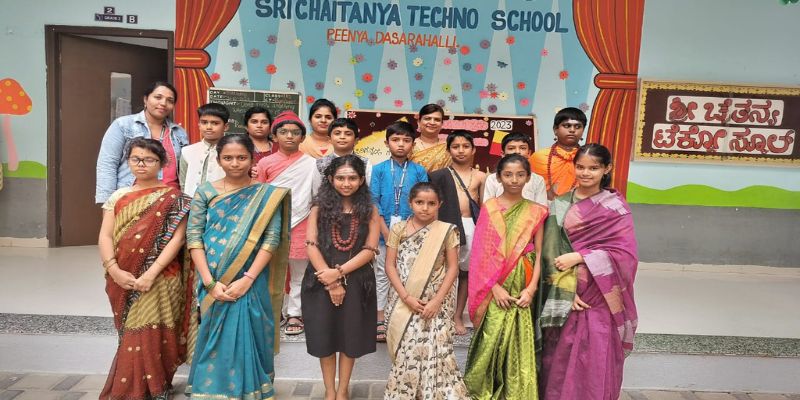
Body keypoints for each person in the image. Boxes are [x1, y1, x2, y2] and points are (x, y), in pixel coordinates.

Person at [185, 134, 291, 400]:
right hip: (212, 278)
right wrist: (209, 282)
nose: (235, 163)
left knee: (248, 332)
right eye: (228, 158)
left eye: (242, 157)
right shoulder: (205, 192)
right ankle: (210, 391)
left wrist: (247, 279)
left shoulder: (267, 195)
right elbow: (194, 237)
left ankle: (250, 389)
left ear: (252, 159)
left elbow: (271, 239)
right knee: (213, 334)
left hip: (250, 279)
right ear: (219, 160)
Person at [539, 144, 638, 400]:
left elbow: (625, 255)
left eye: (593, 168)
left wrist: (581, 256)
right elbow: (549, 253)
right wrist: (566, 292)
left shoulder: (615, 207)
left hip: (601, 294)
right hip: (567, 293)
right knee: (561, 356)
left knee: (596, 354)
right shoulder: (560, 204)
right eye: (580, 167)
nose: (585, 173)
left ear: (607, 169)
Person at [97, 138, 193, 399]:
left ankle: (157, 386)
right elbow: (105, 236)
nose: (141, 164)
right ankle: (136, 389)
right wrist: (114, 270)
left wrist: (150, 274)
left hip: (162, 277)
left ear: (162, 163)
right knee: (132, 333)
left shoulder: (176, 199)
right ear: (128, 161)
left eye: (149, 159)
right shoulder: (118, 196)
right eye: (136, 159)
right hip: (123, 275)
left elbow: (177, 240)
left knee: (157, 330)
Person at [464, 154, 548, 400]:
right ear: (498, 177)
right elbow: (481, 254)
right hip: (494, 284)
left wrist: (531, 288)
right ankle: (482, 388)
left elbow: (540, 252)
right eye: (508, 175)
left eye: (520, 175)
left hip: (523, 279)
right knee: (491, 334)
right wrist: (494, 287)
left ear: (528, 178)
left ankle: (516, 391)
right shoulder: (489, 208)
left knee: (518, 335)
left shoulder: (536, 211)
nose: (514, 180)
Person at [302, 155, 380, 400]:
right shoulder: (318, 208)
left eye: (352, 178)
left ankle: (343, 390)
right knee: (325, 336)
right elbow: (311, 245)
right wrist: (331, 280)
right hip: (320, 278)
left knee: (350, 337)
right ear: (330, 179)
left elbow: (370, 249)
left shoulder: (370, 210)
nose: (346, 183)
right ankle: (329, 391)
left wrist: (339, 273)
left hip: (357, 281)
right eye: (341, 178)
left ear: (361, 180)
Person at [383, 182, 469, 399]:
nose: (425, 208)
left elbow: (453, 268)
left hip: (435, 303)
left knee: (437, 350)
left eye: (431, 203)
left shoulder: (447, 231)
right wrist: (406, 297)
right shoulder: (398, 229)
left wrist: (436, 301)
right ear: (410, 203)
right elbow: (390, 265)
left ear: (440, 204)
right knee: (407, 349)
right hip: (404, 301)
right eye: (419, 202)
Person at [256, 110, 317, 336]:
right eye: (283, 132)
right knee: (272, 271)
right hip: (272, 222)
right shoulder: (264, 163)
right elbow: (259, 196)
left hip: (303, 222)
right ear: (274, 136)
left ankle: (294, 313)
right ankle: (274, 312)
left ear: (302, 137)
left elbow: (316, 196)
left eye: (295, 132)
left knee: (300, 272)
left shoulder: (312, 164)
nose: (289, 136)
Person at [370, 121, 428, 342]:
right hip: (383, 232)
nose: (401, 144)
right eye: (395, 140)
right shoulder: (379, 170)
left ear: (413, 144)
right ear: (387, 143)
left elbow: (424, 202)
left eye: (406, 140)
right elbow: (374, 203)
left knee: (409, 274)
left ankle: (403, 317)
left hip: (413, 232)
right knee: (383, 274)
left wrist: (412, 231)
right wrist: (386, 233)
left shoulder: (419, 171)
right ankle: (379, 318)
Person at [429, 130, 486, 335]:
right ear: (448, 150)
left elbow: (484, 207)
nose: (461, 150)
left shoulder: (481, 176)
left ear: (473, 150)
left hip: (472, 227)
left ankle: (457, 316)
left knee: (465, 274)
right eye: (455, 146)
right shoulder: (438, 175)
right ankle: (440, 314)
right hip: (446, 226)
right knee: (443, 272)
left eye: (465, 146)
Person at [96, 81, 189, 203]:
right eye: (158, 97)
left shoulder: (179, 133)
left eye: (170, 100)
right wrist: (108, 202)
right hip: (131, 200)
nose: (163, 103)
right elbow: (107, 164)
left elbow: (184, 170)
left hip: (170, 201)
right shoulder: (123, 125)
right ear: (145, 99)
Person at [530, 107, 587, 201]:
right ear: (555, 130)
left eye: (577, 127)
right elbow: (529, 190)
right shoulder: (539, 157)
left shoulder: (588, 158)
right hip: (542, 206)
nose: (572, 130)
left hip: (580, 206)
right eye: (567, 126)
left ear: (583, 130)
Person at [179, 103, 229, 197]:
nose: (209, 127)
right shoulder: (187, 151)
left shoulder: (231, 152)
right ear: (199, 125)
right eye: (204, 122)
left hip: (221, 203)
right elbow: (183, 183)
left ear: (225, 127)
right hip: (191, 203)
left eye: (215, 123)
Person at [483, 132, 547, 205]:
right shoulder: (492, 179)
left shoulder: (538, 180)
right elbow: (488, 207)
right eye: (511, 148)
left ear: (529, 153)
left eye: (522, 148)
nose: (517, 152)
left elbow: (542, 208)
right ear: (503, 154)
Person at [311, 117, 373, 193]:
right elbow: (316, 192)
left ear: (356, 140)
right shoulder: (320, 163)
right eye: (337, 133)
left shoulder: (365, 163)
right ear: (329, 139)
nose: (342, 137)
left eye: (348, 134)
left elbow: (369, 191)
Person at [409, 103, 451, 172]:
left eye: (437, 119)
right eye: (427, 118)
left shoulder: (448, 147)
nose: (432, 122)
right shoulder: (410, 145)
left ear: (442, 124)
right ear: (418, 122)